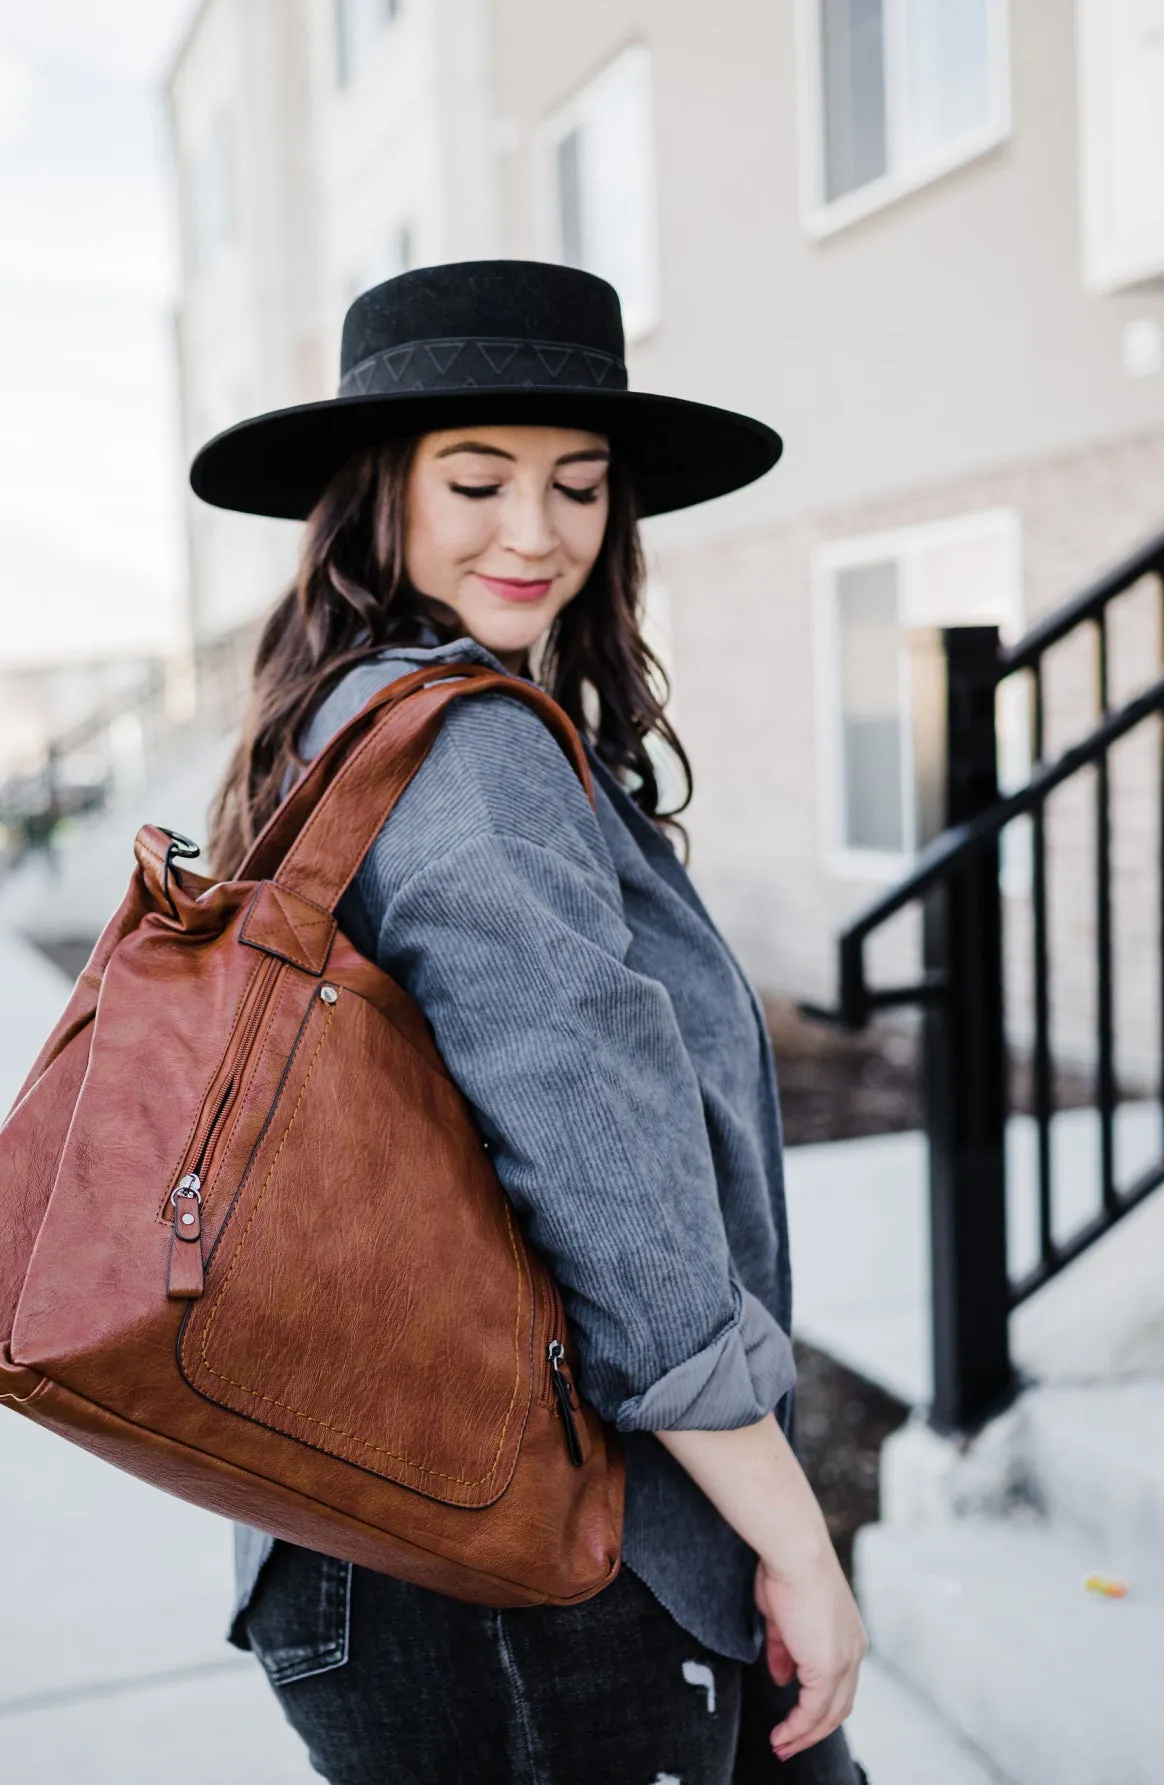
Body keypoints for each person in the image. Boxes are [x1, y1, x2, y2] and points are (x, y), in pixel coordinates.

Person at [191, 261, 868, 1785]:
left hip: (384, 1521)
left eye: (580, 483)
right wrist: (798, 1541)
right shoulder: (468, 753)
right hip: (529, 1562)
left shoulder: (336, 724)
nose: (538, 530)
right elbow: (615, 1199)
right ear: (384, 496)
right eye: (479, 478)